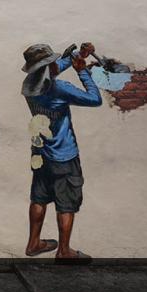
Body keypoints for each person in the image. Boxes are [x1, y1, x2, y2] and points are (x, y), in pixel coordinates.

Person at [21, 42, 102, 260]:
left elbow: (52, 70)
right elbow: (95, 99)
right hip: (63, 155)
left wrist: (76, 56)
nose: (56, 64)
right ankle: (64, 251)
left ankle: (33, 243)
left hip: (41, 152)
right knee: (66, 203)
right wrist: (82, 71)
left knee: (39, 197)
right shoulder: (60, 89)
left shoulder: (30, 85)